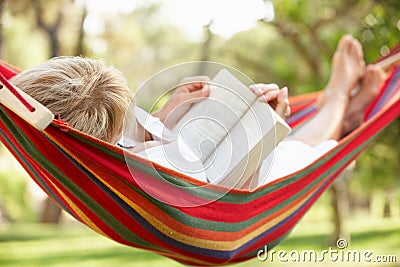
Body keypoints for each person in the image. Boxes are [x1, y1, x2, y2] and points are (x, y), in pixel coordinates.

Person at [10, 35, 385, 188]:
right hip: (267, 178)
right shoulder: (148, 173)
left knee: (309, 139)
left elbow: (133, 143)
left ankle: (346, 116)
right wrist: (268, 125)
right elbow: (239, 191)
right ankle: (337, 100)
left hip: (208, 155)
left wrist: (170, 115)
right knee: (303, 150)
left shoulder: (98, 151)